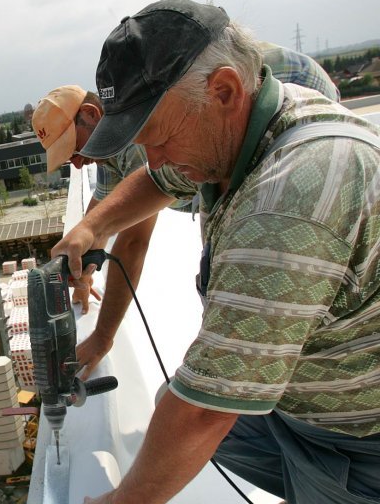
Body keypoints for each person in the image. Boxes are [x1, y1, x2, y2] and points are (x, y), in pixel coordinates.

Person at [34, 0, 380, 504]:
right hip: (298, 403)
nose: (152, 155)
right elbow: (158, 179)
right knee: (171, 426)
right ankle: (312, 491)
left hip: (358, 439)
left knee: (189, 421)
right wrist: (92, 226)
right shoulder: (242, 123)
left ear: (223, 90)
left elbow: (203, 414)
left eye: (157, 135)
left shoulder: (287, 202)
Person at [31, 43, 339, 378]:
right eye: (68, 159)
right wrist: (84, 266)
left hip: (298, 86)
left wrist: (103, 337)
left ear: (91, 114)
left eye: (74, 150)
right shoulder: (106, 141)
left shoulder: (134, 135)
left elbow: (133, 242)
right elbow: (105, 210)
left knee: (253, 231)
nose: (77, 164)